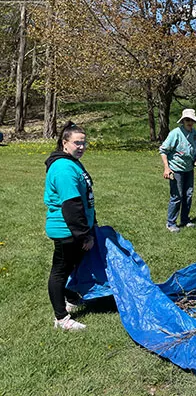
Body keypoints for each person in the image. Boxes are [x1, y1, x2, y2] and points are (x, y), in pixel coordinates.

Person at [44, 121, 95, 330]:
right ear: (65, 143)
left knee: (72, 267)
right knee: (60, 271)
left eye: (84, 143)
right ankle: (61, 318)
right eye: (77, 143)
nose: (81, 147)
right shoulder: (64, 168)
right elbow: (72, 206)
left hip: (75, 228)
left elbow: (85, 197)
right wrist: (84, 235)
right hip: (67, 230)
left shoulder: (72, 162)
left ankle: (71, 298)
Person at [159, 108, 196, 233]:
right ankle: (171, 222)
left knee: (188, 195)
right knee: (176, 196)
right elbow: (163, 150)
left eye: (191, 120)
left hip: (189, 169)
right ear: (183, 121)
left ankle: (185, 219)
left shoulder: (195, 134)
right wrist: (167, 168)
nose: (189, 122)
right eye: (187, 120)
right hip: (176, 170)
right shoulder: (175, 133)